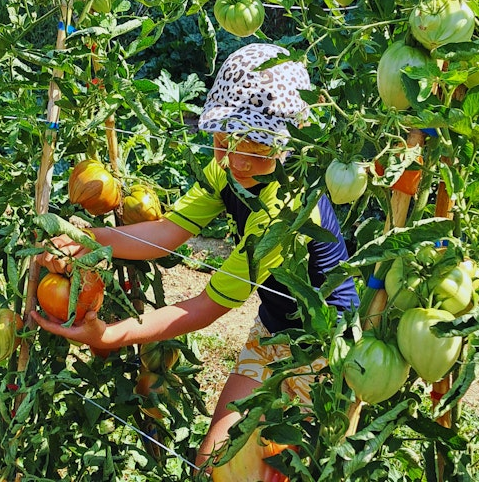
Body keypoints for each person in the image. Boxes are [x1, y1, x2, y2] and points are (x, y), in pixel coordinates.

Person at [32, 43, 359, 469]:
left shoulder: (286, 211)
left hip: (328, 349)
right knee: (214, 463)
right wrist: (90, 238)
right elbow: (168, 233)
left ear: (286, 145)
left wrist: (109, 335)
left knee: (303, 468)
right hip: (274, 328)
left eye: (258, 148)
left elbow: (205, 308)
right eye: (227, 139)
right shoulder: (223, 168)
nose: (238, 159)